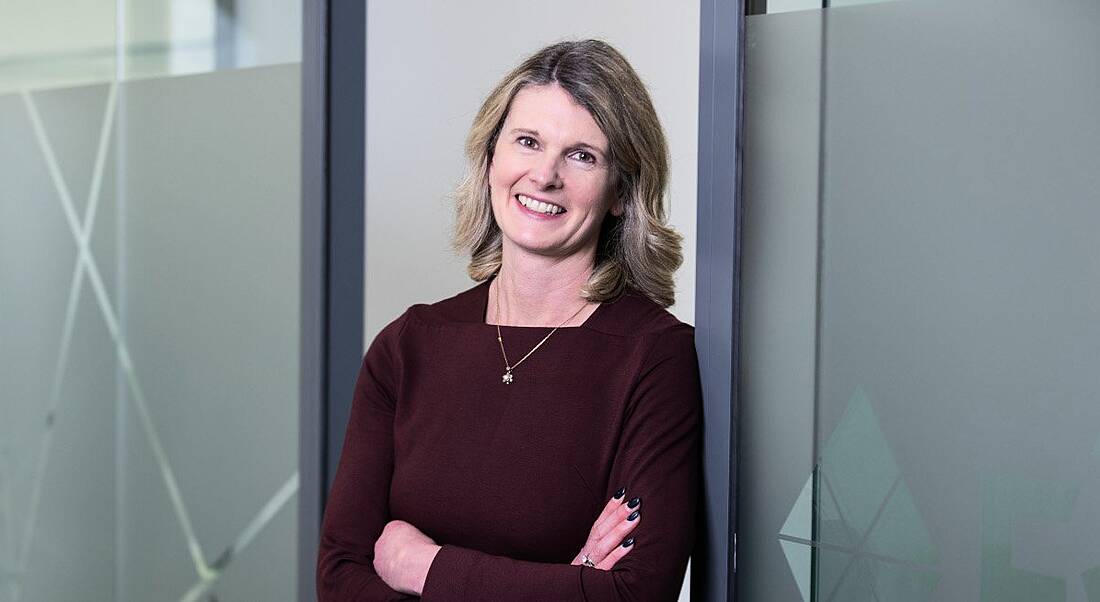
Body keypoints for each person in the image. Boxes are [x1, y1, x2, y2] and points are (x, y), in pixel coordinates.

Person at [316, 39, 703, 601]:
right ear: (492, 157)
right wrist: (561, 587)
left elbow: (632, 595)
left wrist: (424, 567)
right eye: (528, 142)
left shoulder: (655, 357)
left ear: (621, 190)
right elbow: (339, 580)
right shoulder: (408, 347)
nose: (544, 176)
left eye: (581, 155)